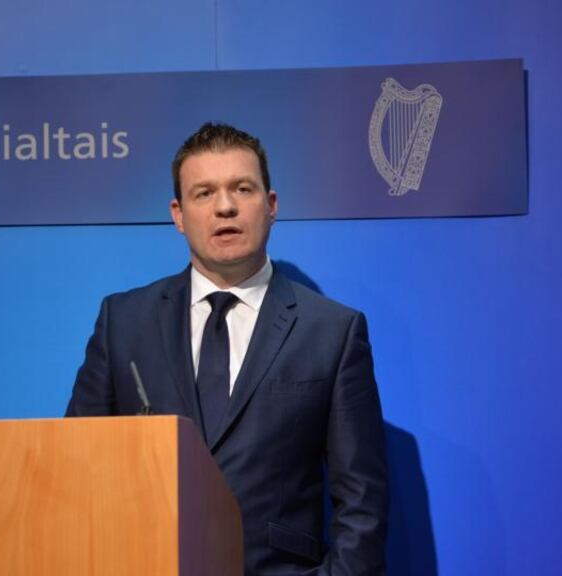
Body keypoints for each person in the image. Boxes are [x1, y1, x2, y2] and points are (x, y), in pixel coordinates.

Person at [66, 123, 388, 575]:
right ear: (178, 215)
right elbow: (76, 469)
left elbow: (362, 502)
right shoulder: (123, 322)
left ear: (271, 205)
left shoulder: (333, 331)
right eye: (204, 193)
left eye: (242, 188)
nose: (225, 207)